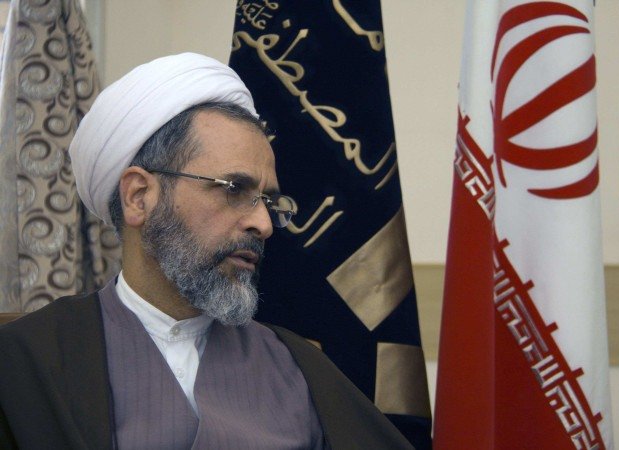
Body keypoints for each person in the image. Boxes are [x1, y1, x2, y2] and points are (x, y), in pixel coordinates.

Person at [0, 53, 412, 449]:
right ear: (139, 196)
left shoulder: (297, 367)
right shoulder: (27, 362)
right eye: (235, 189)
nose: (264, 224)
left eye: (269, 201)